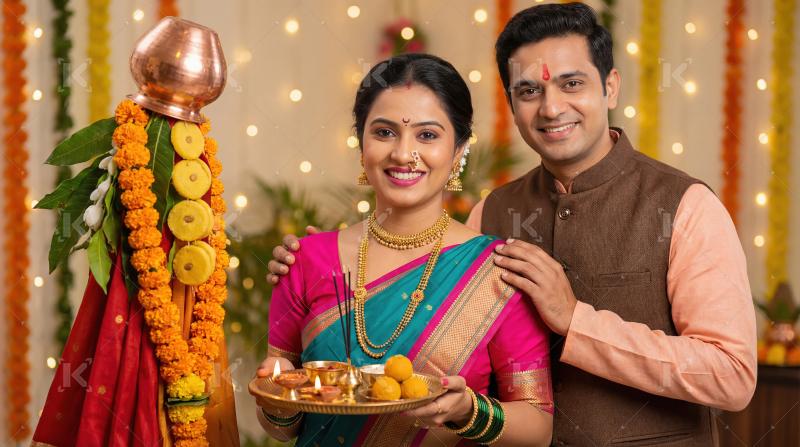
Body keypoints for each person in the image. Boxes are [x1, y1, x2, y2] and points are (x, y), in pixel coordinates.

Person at [267, 3, 757, 446]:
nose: (551, 107)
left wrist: (577, 322)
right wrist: (319, 263)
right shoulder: (493, 212)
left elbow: (732, 376)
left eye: (571, 83)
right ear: (512, 103)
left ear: (610, 86)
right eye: (529, 90)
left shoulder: (684, 205)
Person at [256, 53, 553, 446]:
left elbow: (538, 428)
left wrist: (468, 412)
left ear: (458, 150)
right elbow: (282, 428)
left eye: (427, 135)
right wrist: (277, 399)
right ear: (361, 143)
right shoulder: (305, 260)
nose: (402, 154)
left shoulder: (497, 272)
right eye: (384, 132)